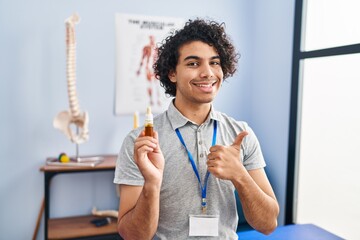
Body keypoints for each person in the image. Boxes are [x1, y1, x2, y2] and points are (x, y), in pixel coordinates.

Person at [114, 18, 279, 239]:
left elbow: (268, 224)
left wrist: (240, 175)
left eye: (215, 62)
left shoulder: (241, 134)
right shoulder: (141, 142)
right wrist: (152, 185)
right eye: (193, 63)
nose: (207, 73)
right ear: (172, 73)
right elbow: (133, 236)